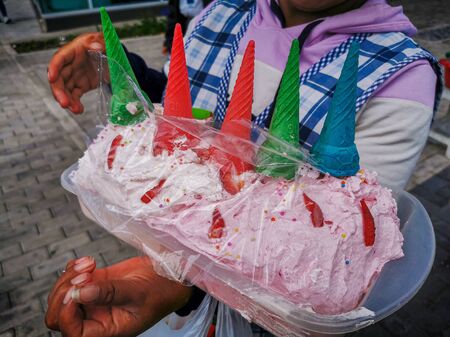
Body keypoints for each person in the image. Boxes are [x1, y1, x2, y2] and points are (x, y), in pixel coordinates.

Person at [45, 0, 442, 336]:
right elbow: (175, 104)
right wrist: (120, 72)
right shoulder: (220, 13)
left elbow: (338, 254)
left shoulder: (402, 77)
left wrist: (173, 284)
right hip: (168, 270)